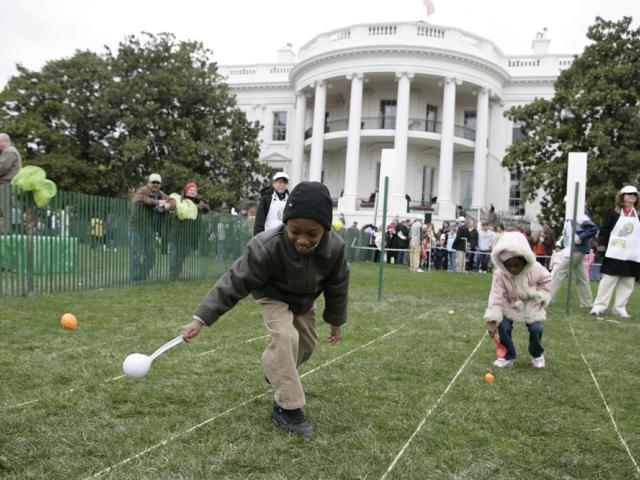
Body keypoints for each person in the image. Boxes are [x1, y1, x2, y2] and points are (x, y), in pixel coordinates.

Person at [179, 182, 349, 437]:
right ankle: (287, 410)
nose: (303, 240)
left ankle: (275, 369)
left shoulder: (335, 248)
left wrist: (335, 320)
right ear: (286, 225)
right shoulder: (265, 246)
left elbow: (338, 284)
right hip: (273, 296)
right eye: (295, 231)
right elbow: (233, 282)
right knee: (285, 337)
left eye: (312, 234)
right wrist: (200, 319)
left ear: (325, 229)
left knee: (306, 345)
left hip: (304, 301)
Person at [484, 232, 552, 368]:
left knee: (536, 328)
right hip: (509, 305)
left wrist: (539, 295)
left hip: (530, 305)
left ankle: (537, 353)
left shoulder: (535, 268)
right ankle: (508, 355)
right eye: (509, 266)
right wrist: (492, 320)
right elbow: (495, 296)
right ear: (503, 264)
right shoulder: (500, 274)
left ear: (525, 260)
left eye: (517, 265)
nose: (513, 269)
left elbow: (547, 281)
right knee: (503, 326)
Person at [590, 186, 640, 318]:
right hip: (614, 252)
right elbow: (605, 230)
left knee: (628, 281)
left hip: (632, 253)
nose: (632, 196)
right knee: (608, 280)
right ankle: (599, 307)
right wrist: (601, 249)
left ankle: (620, 308)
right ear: (622, 196)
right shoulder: (613, 211)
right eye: (629, 194)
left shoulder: (638, 213)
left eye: (634, 194)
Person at [129, 174, 175, 283]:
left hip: (150, 228)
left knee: (151, 254)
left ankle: (141, 276)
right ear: (148, 182)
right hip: (136, 226)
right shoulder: (143, 190)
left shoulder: (160, 194)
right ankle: (134, 279)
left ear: (160, 184)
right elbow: (138, 199)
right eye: (153, 182)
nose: (155, 184)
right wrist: (157, 202)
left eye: (157, 183)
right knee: (136, 253)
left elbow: (173, 201)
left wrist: (169, 205)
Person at [549, 210, 598, 308]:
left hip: (577, 248)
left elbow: (593, 228)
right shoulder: (573, 214)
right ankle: (588, 303)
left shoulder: (580, 214)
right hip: (575, 248)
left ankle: (547, 299)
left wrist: (581, 237)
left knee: (559, 271)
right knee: (581, 277)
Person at [169, 182, 210, 280]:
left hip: (191, 234)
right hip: (178, 232)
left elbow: (207, 209)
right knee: (176, 255)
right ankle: (173, 276)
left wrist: (200, 205)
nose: (192, 192)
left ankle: (177, 273)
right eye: (190, 190)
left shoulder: (198, 202)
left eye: (194, 190)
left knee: (183, 254)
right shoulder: (181, 200)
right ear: (186, 191)